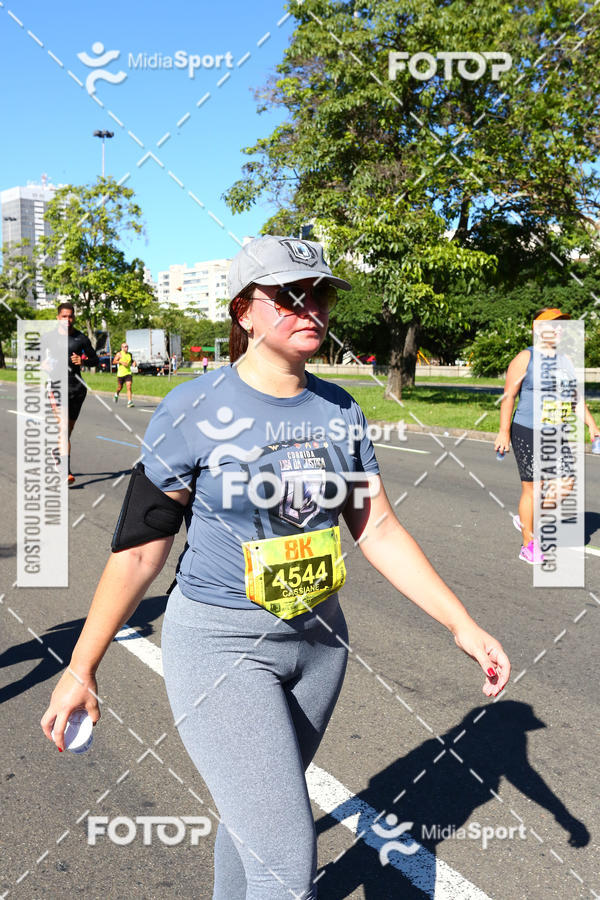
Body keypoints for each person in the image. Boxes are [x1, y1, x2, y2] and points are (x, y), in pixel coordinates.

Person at [42, 236, 510, 899]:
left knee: (257, 822)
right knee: (288, 859)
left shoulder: (340, 410)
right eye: (289, 295)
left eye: (320, 294)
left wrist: (462, 624)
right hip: (223, 645)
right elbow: (142, 547)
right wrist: (82, 666)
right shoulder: (191, 407)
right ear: (244, 312)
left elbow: (374, 527)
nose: (310, 307)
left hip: (320, 648)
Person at [494, 307, 600, 564]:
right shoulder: (525, 358)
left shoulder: (564, 361)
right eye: (555, 324)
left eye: (562, 324)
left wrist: (591, 424)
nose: (560, 329)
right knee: (533, 488)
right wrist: (503, 432)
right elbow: (508, 396)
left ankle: (525, 518)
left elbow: (574, 398)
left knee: (566, 483)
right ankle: (528, 545)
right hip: (527, 430)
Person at [55, 302, 98, 486]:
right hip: (56, 387)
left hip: (77, 389)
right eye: (64, 316)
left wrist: (83, 361)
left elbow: (95, 360)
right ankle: (66, 471)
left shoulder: (81, 339)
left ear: (74, 317)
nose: (68, 319)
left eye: (70, 316)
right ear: (58, 317)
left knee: (68, 430)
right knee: (64, 428)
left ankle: (58, 453)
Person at [112, 342, 135, 407]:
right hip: (120, 374)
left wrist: (134, 363)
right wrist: (121, 362)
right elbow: (114, 361)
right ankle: (116, 394)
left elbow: (132, 360)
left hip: (128, 373)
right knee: (120, 387)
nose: (126, 348)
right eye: (125, 347)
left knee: (129, 386)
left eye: (127, 346)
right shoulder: (119, 354)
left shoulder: (129, 354)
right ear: (122, 348)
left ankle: (129, 402)